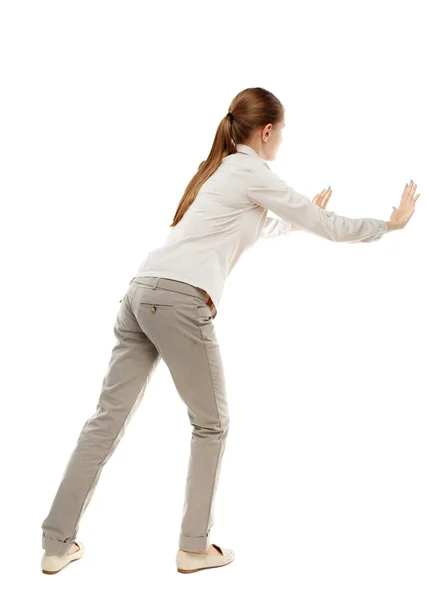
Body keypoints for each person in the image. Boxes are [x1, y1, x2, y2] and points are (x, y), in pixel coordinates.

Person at [40, 86, 420, 575]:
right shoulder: (253, 171)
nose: (281, 141)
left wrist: (297, 222)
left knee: (104, 422)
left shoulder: (222, 170)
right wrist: (389, 226)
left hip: (140, 293)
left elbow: (255, 227)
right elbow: (325, 222)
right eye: (281, 133)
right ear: (266, 132)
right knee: (211, 423)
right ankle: (193, 547)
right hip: (179, 300)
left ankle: (55, 544)